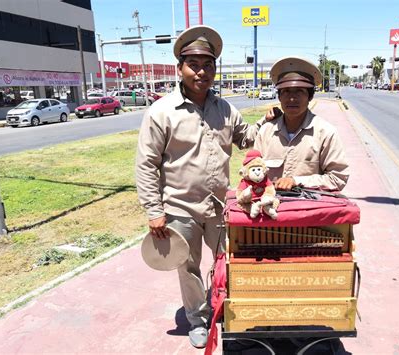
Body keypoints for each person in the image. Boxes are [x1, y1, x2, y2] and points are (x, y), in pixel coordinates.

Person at [135, 25, 268, 349]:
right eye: (194, 64)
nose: (202, 71)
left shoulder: (224, 109)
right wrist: (154, 211)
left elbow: (245, 138)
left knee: (231, 259)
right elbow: (146, 164)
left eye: (208, 65)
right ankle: (197, 319)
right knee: (189, 266)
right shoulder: (162, 112)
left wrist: (269, 120)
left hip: (221, 206)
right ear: (180, 67)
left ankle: (229, 308)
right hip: (180, 208)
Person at [256, 56, 349, 191]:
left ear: (310, 96)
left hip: (310, 210)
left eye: (299, 91)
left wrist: (297, 181)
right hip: (271, 208)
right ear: (279, 96)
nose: (292, 98)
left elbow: (338, 178)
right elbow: (252, 171)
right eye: (286, 91)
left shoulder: (325, 133)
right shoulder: (265, 132)